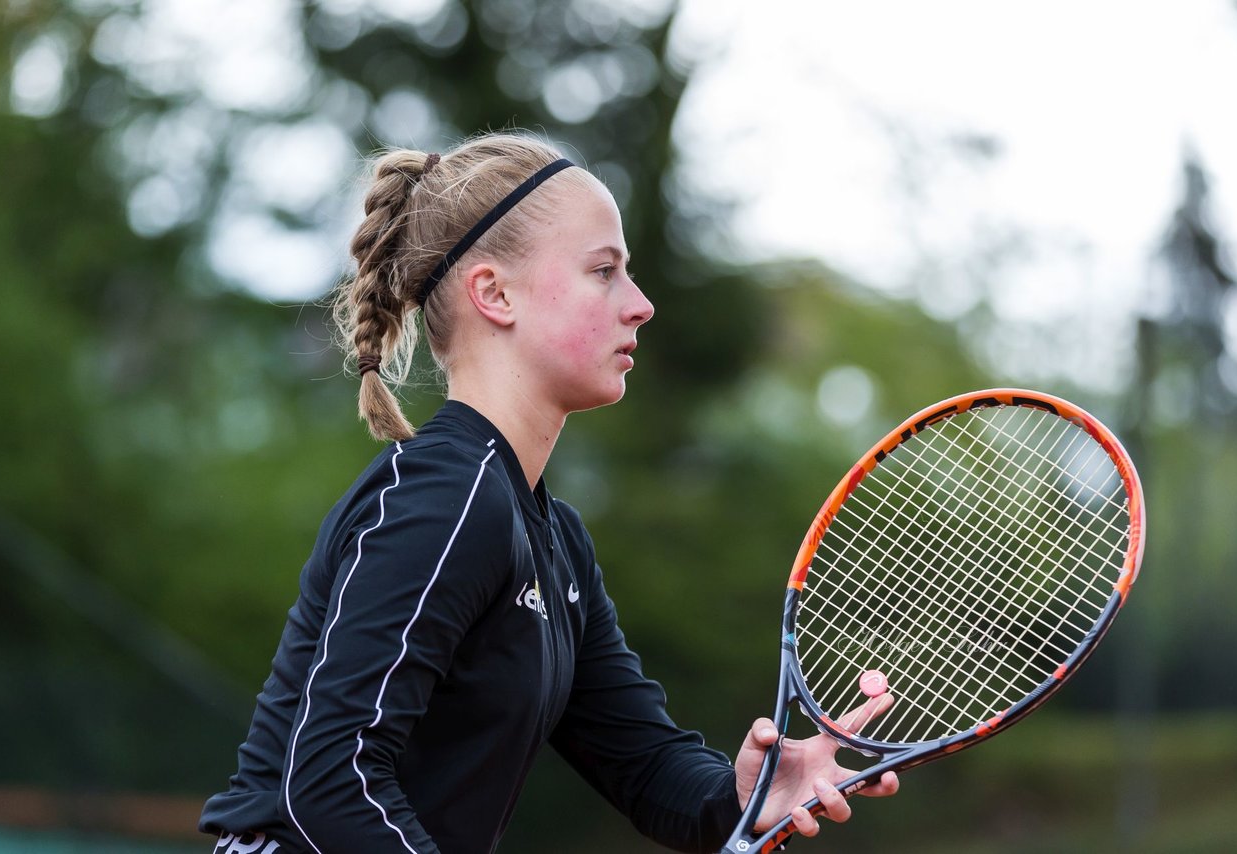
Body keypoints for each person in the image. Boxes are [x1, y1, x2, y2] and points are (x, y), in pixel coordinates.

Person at [199, 132, 899, 854]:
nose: (641, 305)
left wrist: (749, 796)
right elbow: (326, 782)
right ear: (494, 294)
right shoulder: (447, 498)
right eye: (605, 271)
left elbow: (650, 769)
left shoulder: (552, 538)